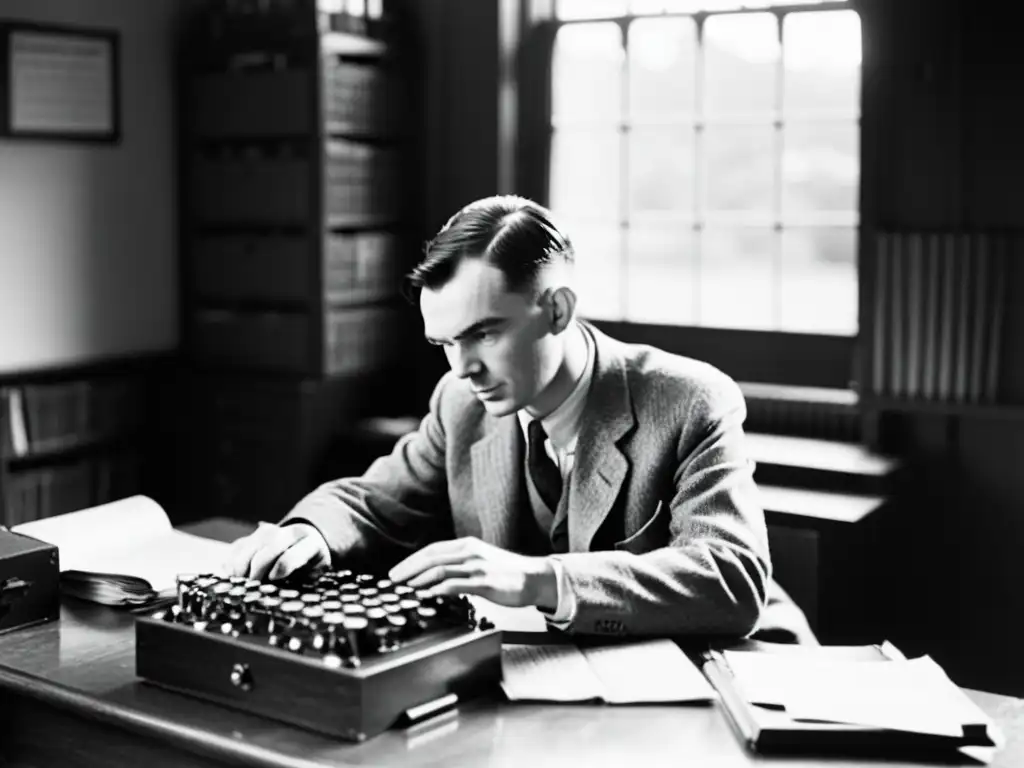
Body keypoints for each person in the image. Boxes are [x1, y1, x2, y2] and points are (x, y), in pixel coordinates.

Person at [227, 195, 811, 640]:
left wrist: (537, 580)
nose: (463, 368)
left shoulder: (689, 400)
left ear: (557, 309)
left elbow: (729, 578)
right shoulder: (459, 402)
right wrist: (308, 535)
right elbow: (371, 502)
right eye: (445, 343)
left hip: (732, 675)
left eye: (483, 333)